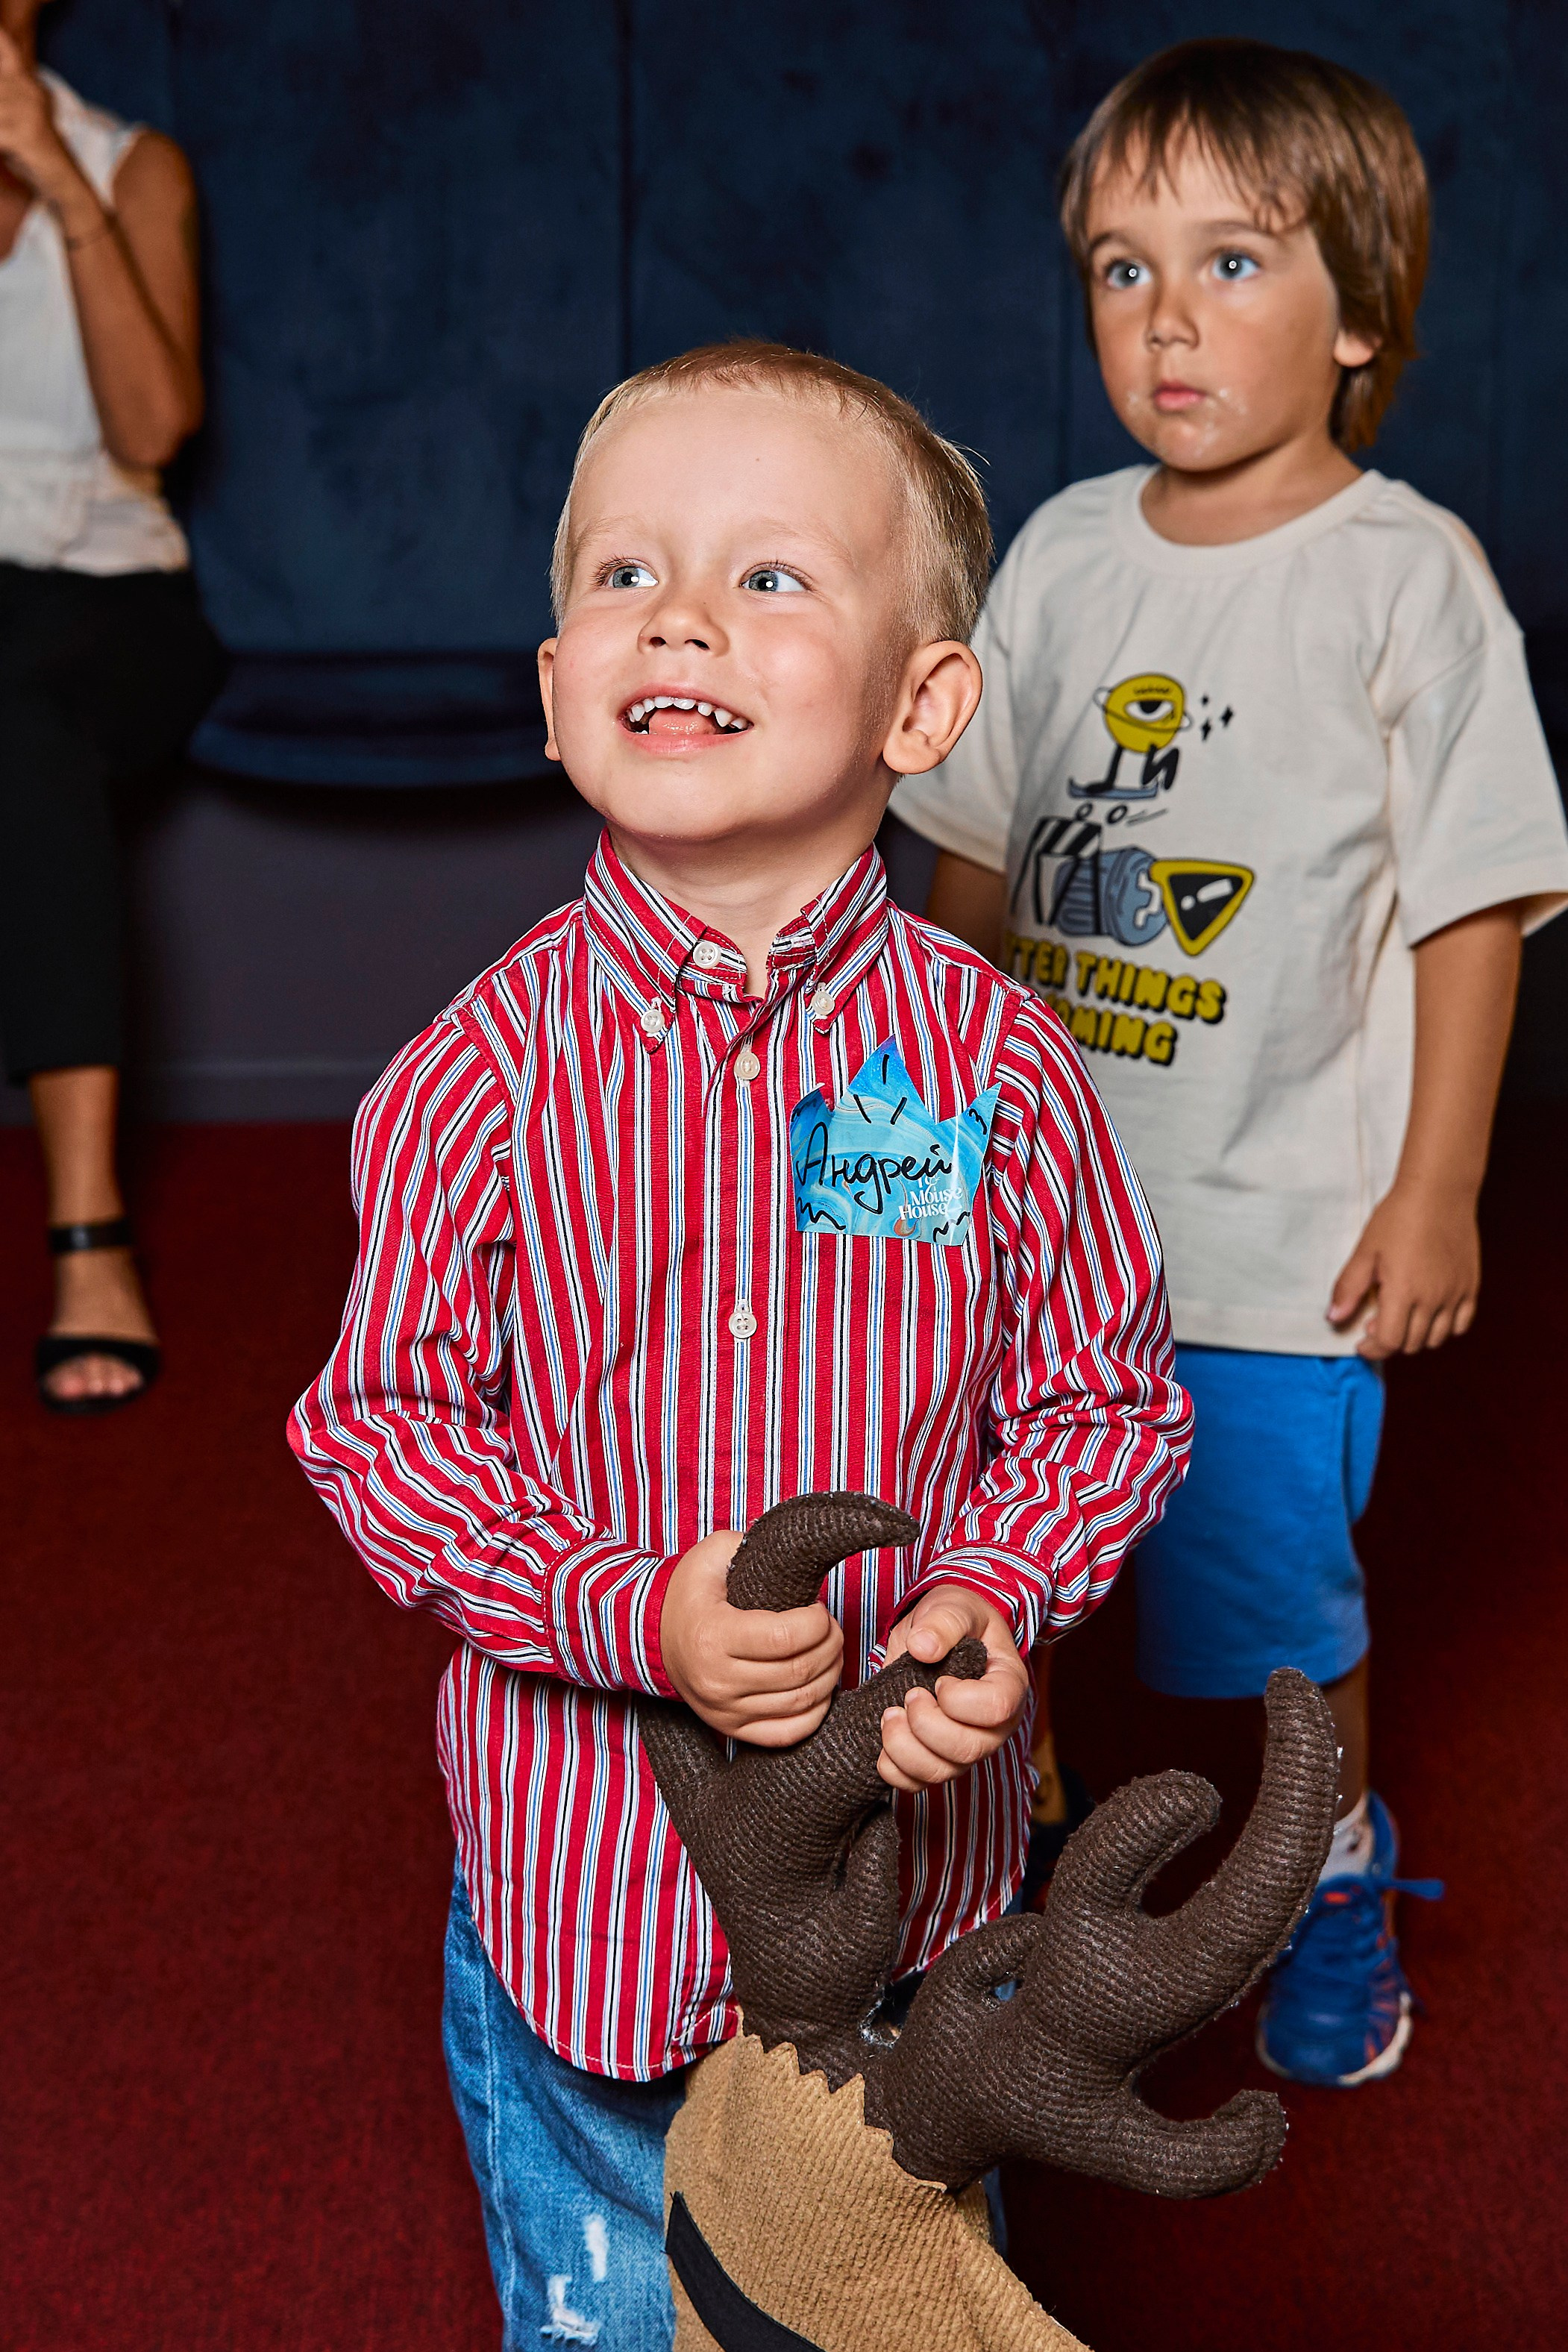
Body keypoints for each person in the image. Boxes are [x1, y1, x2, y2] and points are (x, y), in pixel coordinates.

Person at [290, 340, 1191, 2348]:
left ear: (921, 704)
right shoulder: (474, 1080)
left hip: (913, 1899)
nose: (677, 613)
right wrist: (630, 1609)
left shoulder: (996, 1070)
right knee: (619, 2314)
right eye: (622, 576)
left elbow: (1101, 1397)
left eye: (768, 579)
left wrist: (991, 1587)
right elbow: (383, 1428)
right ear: (551, 693)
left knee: (868, 2293)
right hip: (590, 1899)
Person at [892, 37, 1568, 2088]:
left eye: (1229, 261)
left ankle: (1326, 1866)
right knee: (1019, 1589)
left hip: (1271, 1262)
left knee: (1271, 1626)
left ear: (1356, 308)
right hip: (1040, 1232)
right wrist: (910, 1162)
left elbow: (1467, 908)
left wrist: (1433, 1184)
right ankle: (1044, 1898)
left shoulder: (1406, 580)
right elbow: (976, 877)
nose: (1163, 316)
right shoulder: (1067, 553)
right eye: (1117, 267)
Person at [0, 1, 222, 1413]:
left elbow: (154, 430)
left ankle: (88, 1229)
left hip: (108, 594)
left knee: (16, 716)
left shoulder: (134, 165)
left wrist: (53, 177)